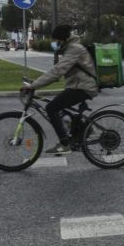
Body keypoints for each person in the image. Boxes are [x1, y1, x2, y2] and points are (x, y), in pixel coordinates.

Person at [21, 24, 98, 155]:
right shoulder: (70, 48)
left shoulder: (74, 49)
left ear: (63, 39)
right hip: (78, 86)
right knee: (59, 106)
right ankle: (84, 128)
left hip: (83, 87)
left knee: (51, 108)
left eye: (56, 40)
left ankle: (64, 144)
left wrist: (33, 86)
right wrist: (35, 82)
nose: (54, 43)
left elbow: (57, 71)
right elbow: (57, 73)